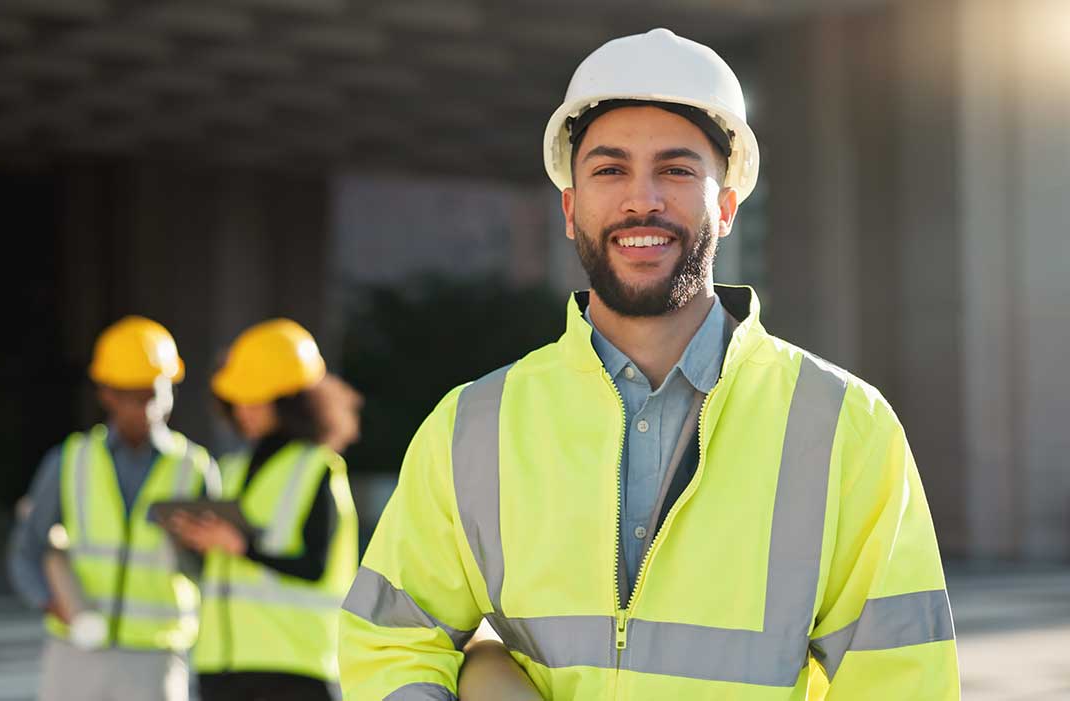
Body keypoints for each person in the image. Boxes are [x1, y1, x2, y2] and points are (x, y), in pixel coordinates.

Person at [338, 28, 960, 700]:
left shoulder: (847, 426)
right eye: (610, 170)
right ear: (571, 210)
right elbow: (392, 638)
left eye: (676, 169)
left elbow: (902, 680)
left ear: (725, 206)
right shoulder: (470, 427)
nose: (642, 199)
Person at [7, 316, 218, 701]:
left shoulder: (195, 468)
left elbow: (212, 570)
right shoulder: (69, 461)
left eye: (156, 394)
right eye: (135, 397)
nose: (148, 409)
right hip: (76, 650)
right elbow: (28, 548)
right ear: (107, 394)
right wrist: (51, 602)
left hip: (156, 655)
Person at [169, 318, 358, 701]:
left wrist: (241, 547)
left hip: (294, 669)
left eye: (255, 399)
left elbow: (315, 567)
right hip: (221, 666)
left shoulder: (318, 469)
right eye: (238, 399)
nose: (243, 410)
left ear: (291, 402)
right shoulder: (232, 470)